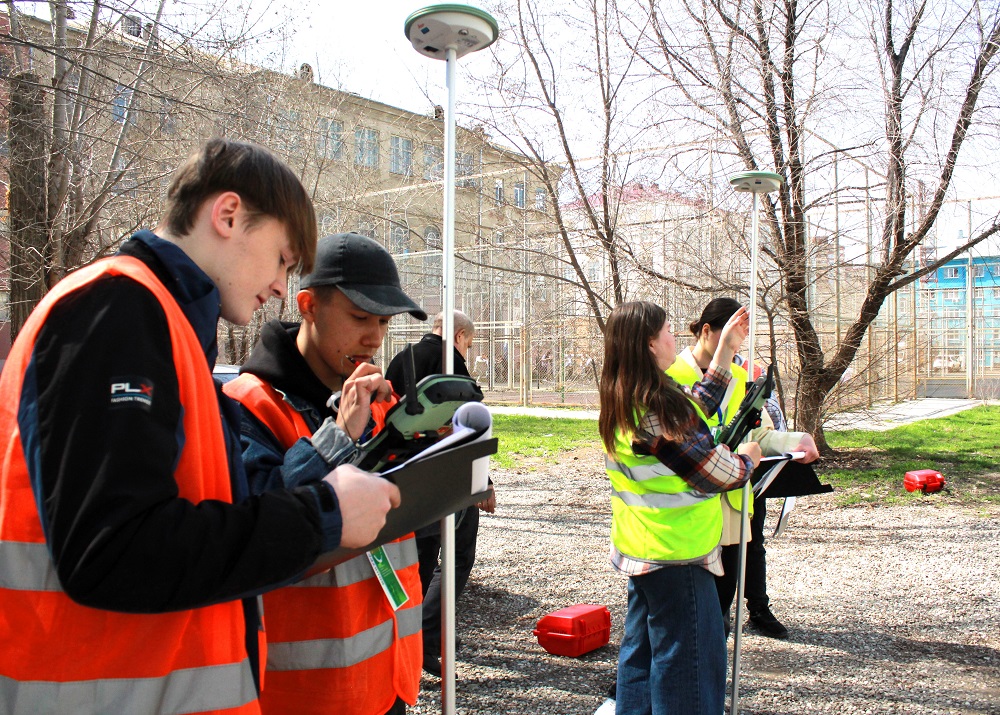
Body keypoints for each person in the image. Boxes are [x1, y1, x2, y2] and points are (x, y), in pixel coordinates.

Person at [0, 139, 400, 714]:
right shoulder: (117, 310)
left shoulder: (166, 328)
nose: (280, 286)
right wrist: (323, 516)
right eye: (282, 258)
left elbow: (200, 514)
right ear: (229, 215)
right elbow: (115, 549)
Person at [223, 232, 427, 715]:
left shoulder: (379, 400)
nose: (374, 337)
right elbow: (256, 525)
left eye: (383, 321)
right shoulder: (247, 405)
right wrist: (337, 436)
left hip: (389, 675)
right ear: (308, 306)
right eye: (360, 317)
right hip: (305, 692)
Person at [599, 300, 761, 714]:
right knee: (689, 670)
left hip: (644, 552)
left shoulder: (630, 396)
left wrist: (725, 351)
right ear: (650, 344)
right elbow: (714, 474)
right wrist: (747, 460)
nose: (675, 337)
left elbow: (695, 405)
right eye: (668, 330)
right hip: (678, 559)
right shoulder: (656, 411)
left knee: (640, 660)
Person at [669, 297, 818, 640]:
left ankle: (714, 664)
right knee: (690, 613)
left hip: (734, 508)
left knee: (721, 606)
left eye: (740, 340)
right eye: (731, 338)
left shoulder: (739, 377)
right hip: (690, 510)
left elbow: (757, 433)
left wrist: (795, 440)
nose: (736, 348)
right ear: (707, 331)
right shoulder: (672, 375)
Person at [384, 309, 496, 678]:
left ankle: (411, 634)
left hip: (404, 474)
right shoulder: (452, 365)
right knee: (458, 556)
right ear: (460, 335)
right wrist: (482, 482)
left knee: (418, 561)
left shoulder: (402, 359)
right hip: (447, 477)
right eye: (469, 343)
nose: (467, 350)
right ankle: (427, 636)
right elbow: (468, 429)